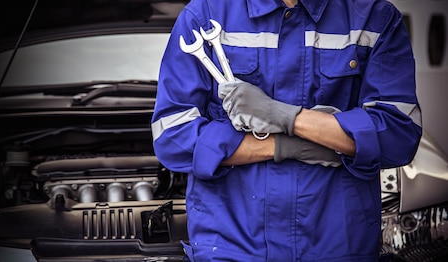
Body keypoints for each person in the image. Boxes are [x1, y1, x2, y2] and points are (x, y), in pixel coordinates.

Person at [151, 0, 422, 261]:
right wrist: (298, 145)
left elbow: (397, 135)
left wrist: (283, 116)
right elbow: (174, 136)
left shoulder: (375, 18)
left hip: (338, 244)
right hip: (231, 245)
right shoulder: (206, 13)